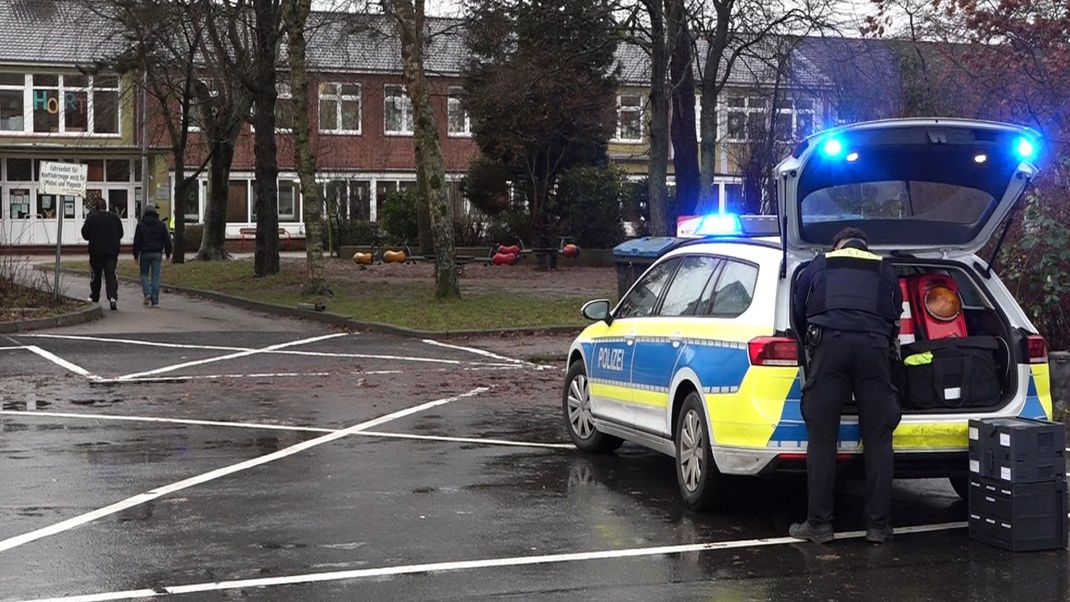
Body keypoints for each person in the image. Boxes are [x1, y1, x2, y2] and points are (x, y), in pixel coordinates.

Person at [789, 227, 903, 545]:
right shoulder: (884, 268)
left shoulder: (819, 264)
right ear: (865, 246)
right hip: (874, 351)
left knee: (823, 436)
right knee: (879, 437)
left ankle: (819, 525)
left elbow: (799, 312)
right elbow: (895, 317)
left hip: (829, 349)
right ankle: (878, 527)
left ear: (838, 245)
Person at [80, 195, 123, 311]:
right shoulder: (114, 218)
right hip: (112, 252)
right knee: (111, 274)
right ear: (106, 207)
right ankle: (112, 297)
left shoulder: (92, 218)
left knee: (96, 275)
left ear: (96, 208)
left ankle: (95, 296)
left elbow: (85, 234)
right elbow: (121, 233)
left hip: (96, 252)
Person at [133, 204, 173, 307]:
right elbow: (167, 240)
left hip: (145, 253)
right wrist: (168, 253)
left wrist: (135, 255)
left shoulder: (140, 225)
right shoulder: (161, 225)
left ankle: (147, 293)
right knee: (155, 276)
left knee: (144, 274)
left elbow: (137, 241)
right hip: (157, 253)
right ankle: (155, 299)